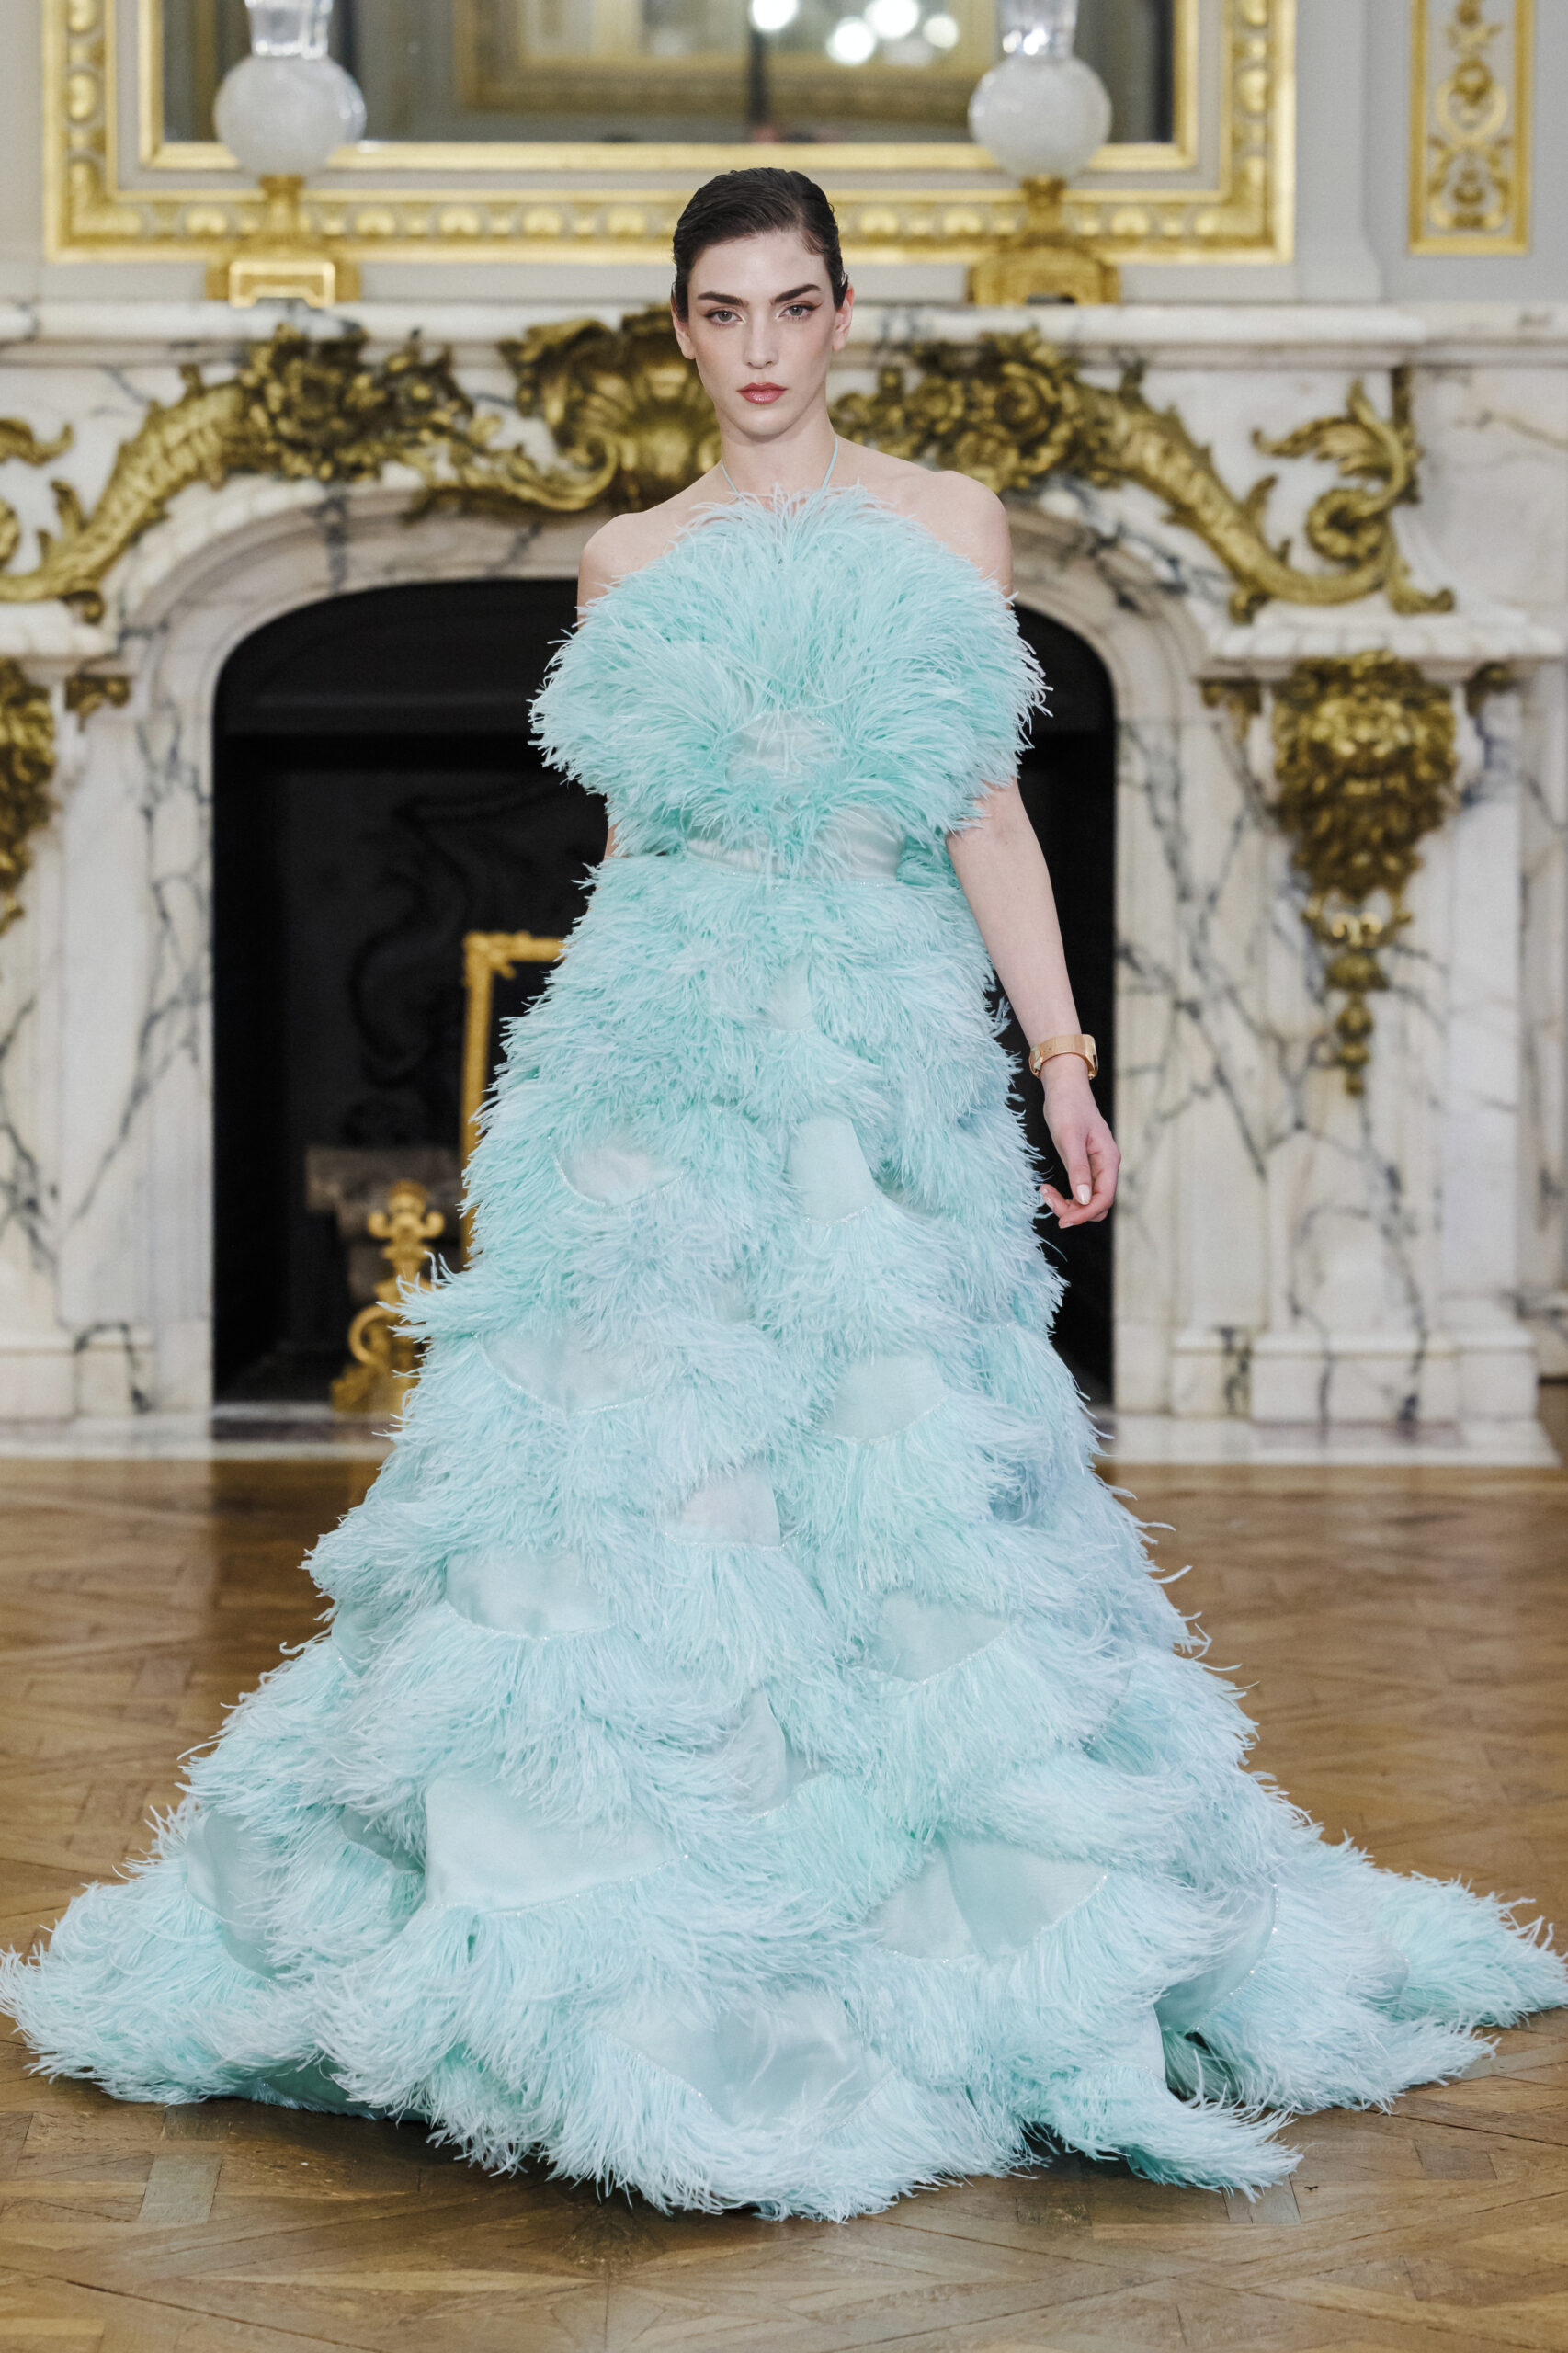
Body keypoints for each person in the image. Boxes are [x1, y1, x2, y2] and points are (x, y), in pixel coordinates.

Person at [4, 168, 1562, 2222]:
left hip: (876, 1038)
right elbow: (633, 840)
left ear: (841, 318)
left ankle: (937, 1911)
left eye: (792, 305)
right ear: (681, 330)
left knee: (889, 1446)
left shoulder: (946, 525)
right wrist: (582, 1086)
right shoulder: (625, 560)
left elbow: (983, 810)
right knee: (616, 1452)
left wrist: (1064, 1061)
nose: (758, 347)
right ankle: (598, 1902)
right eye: (722, 311)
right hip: (659, 1029)